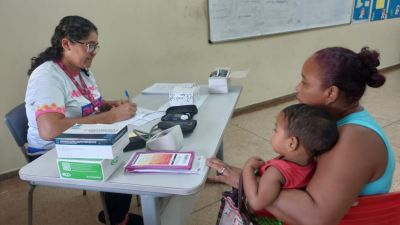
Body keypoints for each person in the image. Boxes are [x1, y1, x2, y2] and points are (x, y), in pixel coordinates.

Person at [207, 46, 396, 224]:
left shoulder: (354, 140)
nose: (297, 88)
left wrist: (248, 182)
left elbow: (315, 218)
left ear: (331, 93)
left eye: (305, 82)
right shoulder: (330, 124)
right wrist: (259, 183)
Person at [25, 16, 142, 225]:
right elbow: (49, 130)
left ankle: (116, 212)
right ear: (66, 43)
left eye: (96, 46)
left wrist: (108, 105)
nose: (93, 52)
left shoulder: (81, 71)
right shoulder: (47, 76)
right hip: (52, 151)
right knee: (122, 157)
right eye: (89, 45)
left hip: (80, 140)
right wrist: (110, 117)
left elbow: (86, 105)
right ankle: (117, 219)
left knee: (136, 142)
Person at [242, 104, 338, 215]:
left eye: (276, 130)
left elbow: (256, 202)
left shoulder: (276, 172)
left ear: (291, 143)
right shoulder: (313, 163)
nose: (273, 133)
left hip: (266, 215)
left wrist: (247, 169)